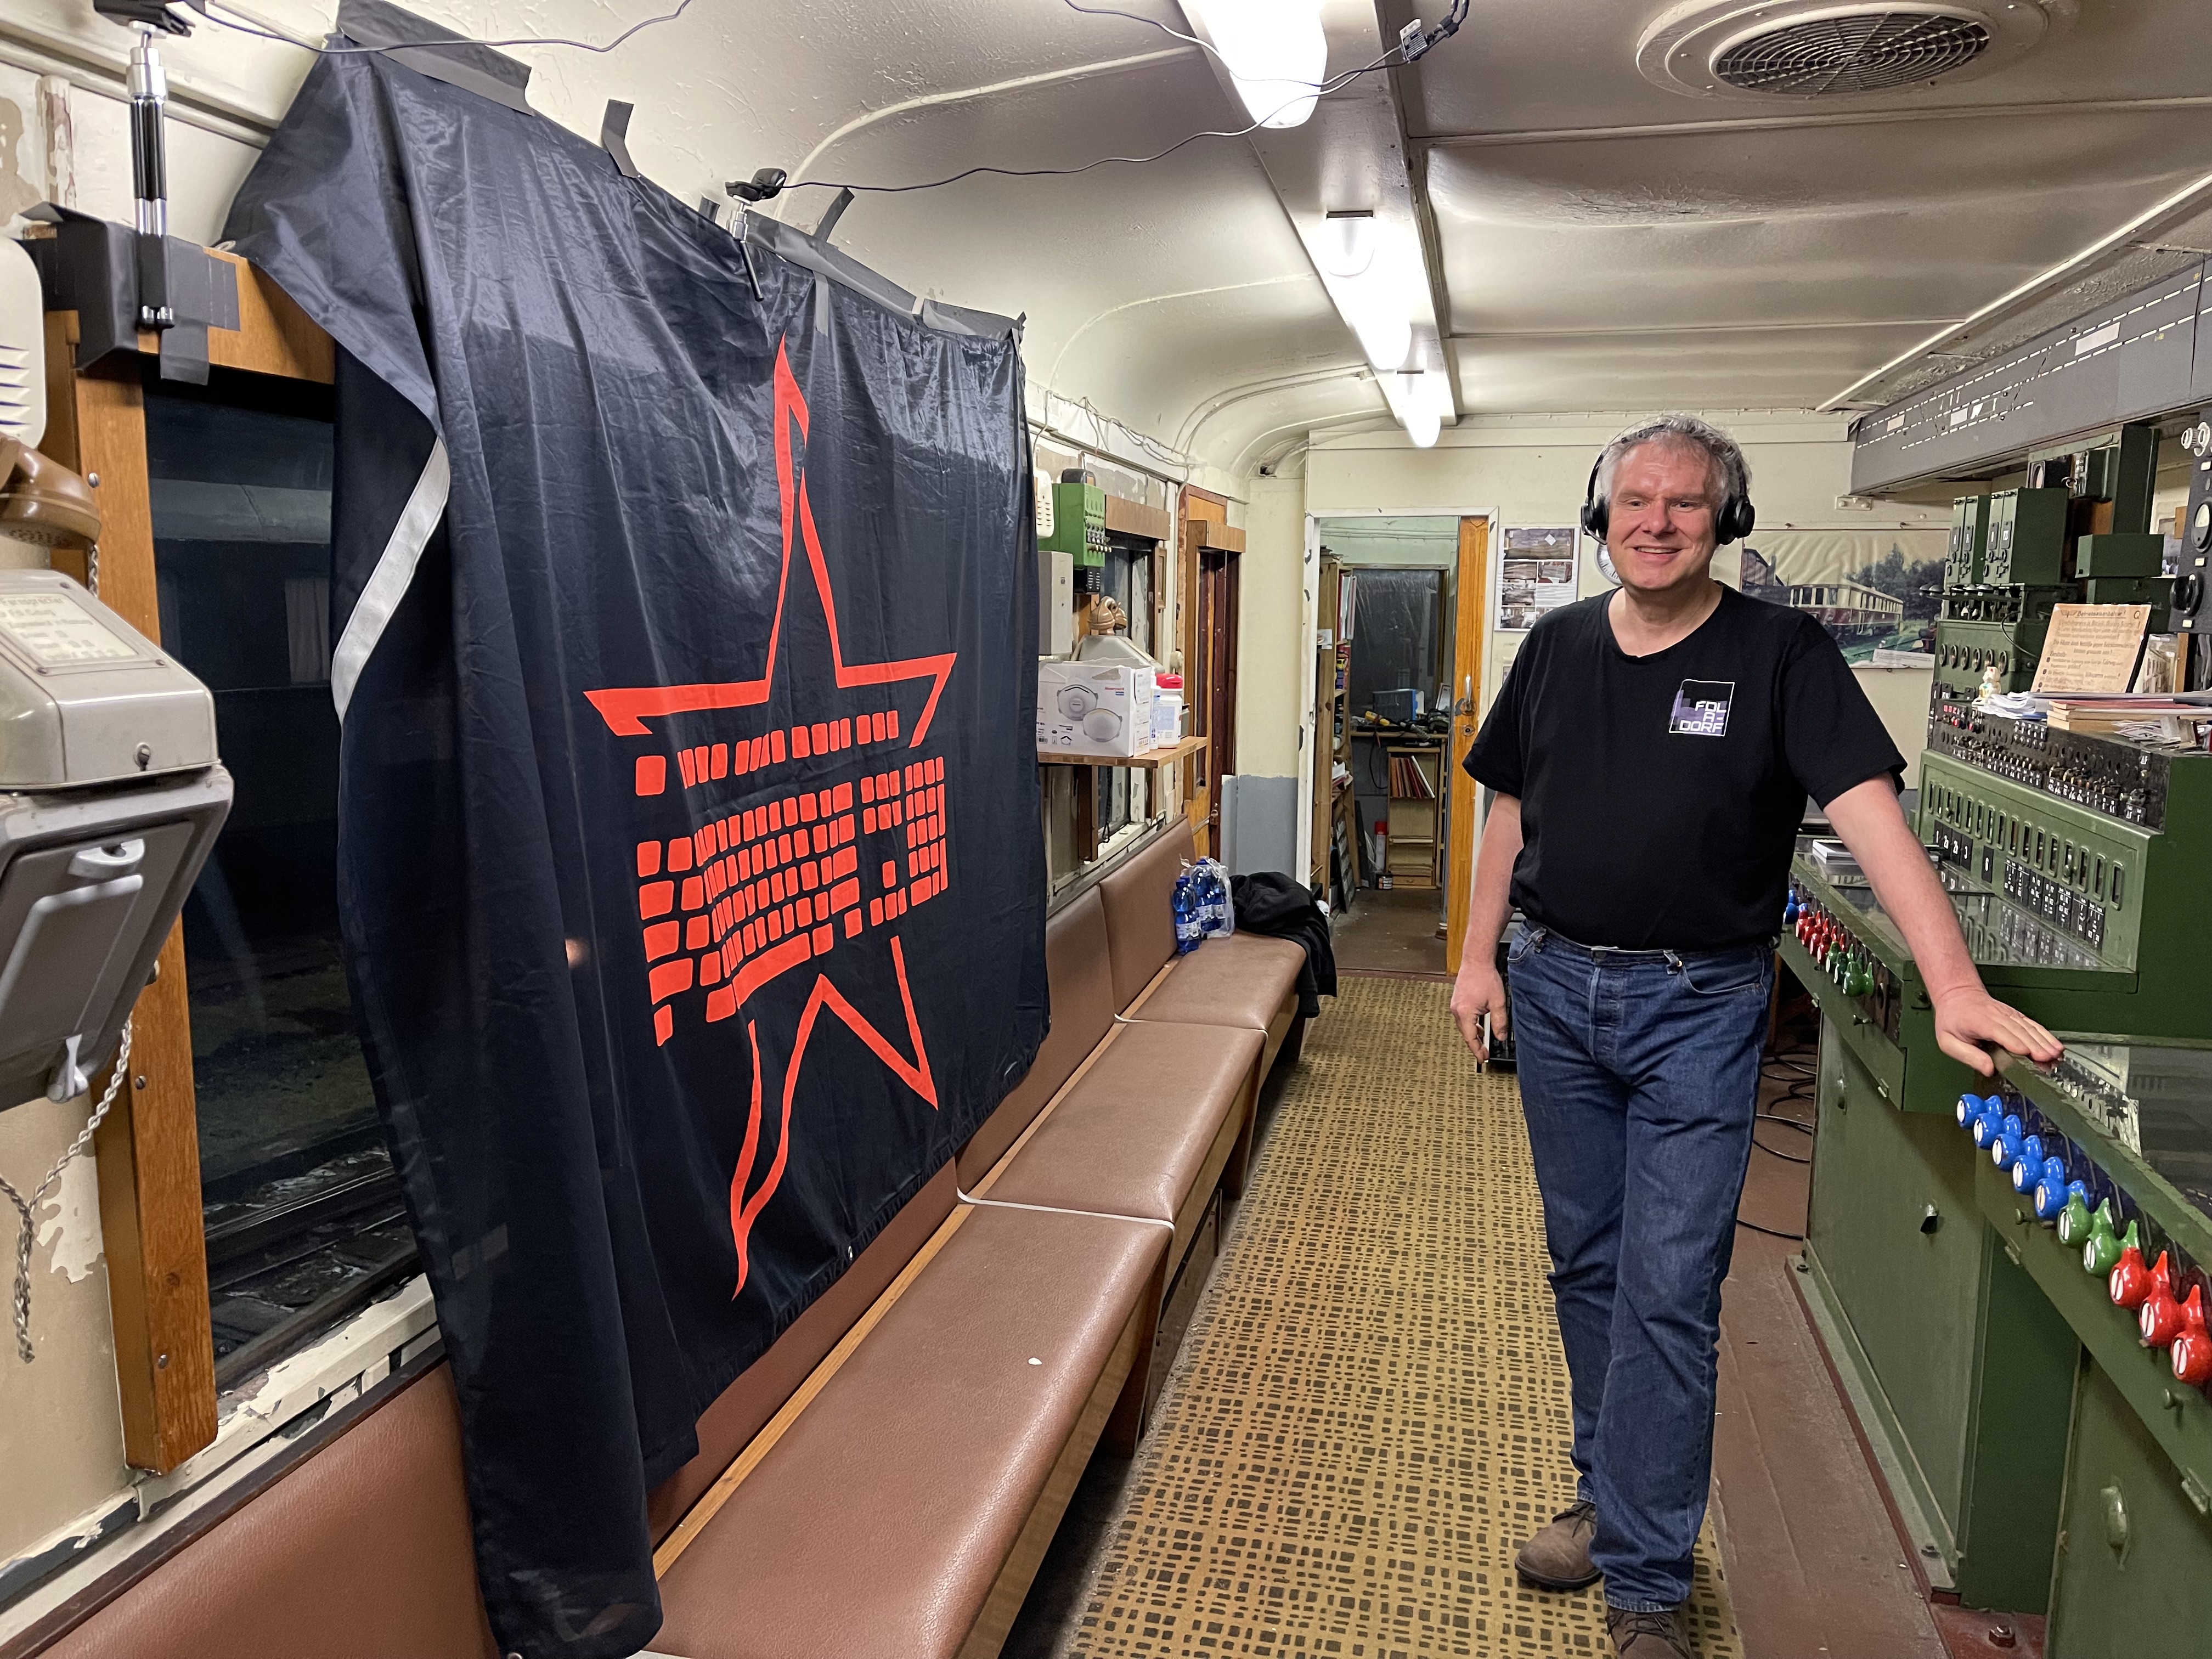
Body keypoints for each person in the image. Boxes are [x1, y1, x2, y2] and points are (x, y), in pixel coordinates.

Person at [1448, 414, 2062, 1659]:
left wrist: (1948, 982)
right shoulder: (1558, 648)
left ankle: (1650, 1582)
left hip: (1701, 1007)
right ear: (1601, 514)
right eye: (1636, 500)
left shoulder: (1782, 653)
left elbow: (1874, 820)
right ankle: (1610, 1497)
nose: (1657, 521)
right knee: (1588, 1269)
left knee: (1668, 1295)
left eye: (1685, 503)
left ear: (1725, 521)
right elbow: (1510, 813)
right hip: (1556, 992)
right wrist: (1475, 959)